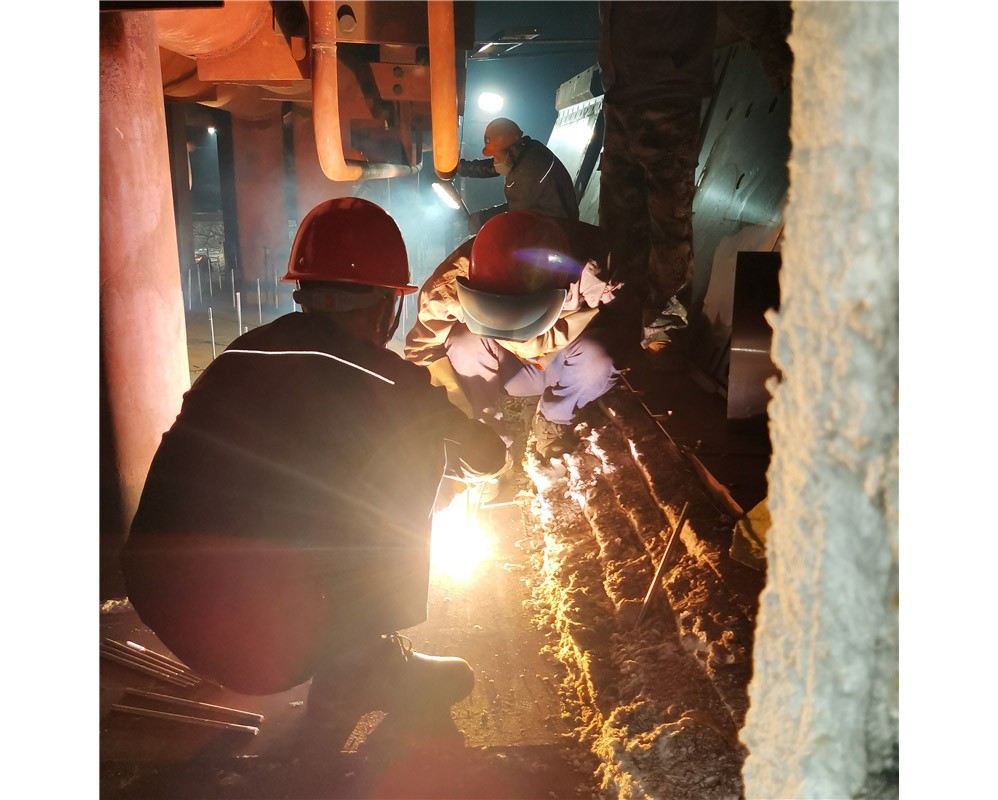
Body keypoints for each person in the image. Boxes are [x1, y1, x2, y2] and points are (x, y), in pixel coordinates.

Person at [120, 198, 508, 721]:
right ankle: (359, 670)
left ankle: (318, 651)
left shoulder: (240, 353)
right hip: (264, 642)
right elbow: (488, 457)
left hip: (166, 605)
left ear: (303, 291)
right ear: (386, 305)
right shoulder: (392, 383)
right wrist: (464, 463)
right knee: (417, 446)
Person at [597, 1, 792, 350]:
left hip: (667, 90)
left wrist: (771, 49)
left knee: (667, 217)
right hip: (620, 95)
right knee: (618, 217)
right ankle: (622, 309)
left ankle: (664, 327)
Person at [404, 210, 622, 463]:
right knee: (462, 341)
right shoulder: (448, 287)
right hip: (508, 368)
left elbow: (627, 330)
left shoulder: (599, 269)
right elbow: (422, 353)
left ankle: (553, 418)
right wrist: (446, 418)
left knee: (600, 356)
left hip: (563, 364)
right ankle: (484, 437)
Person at [456, 117, 579, 230]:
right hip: (547, 221)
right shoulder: (528, 150)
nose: (495, 160)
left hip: (556, 233)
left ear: (511, 150)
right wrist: (462, 168)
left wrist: (478, 221)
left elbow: (512, 216)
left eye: (496, 155)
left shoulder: (528, 173)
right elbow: (494, 166)